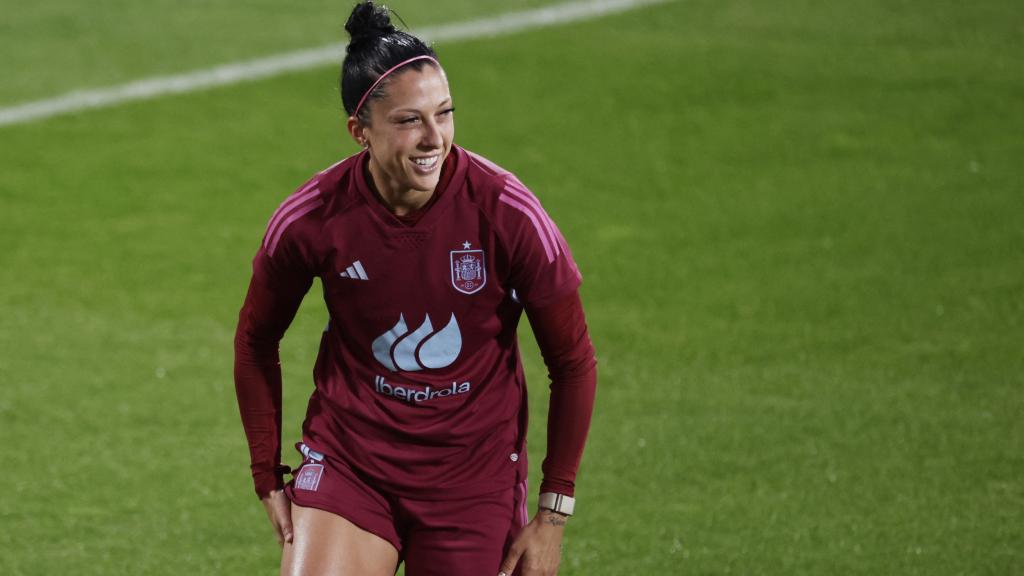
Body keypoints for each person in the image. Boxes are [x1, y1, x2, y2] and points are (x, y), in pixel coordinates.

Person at [233, 2, 597, 574]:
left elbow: (572, 360)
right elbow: (256, 341)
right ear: (360, 131)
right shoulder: (313, 218)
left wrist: (552, 516)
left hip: (471, 477)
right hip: (352, 461)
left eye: (445, 113)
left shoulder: (507, 213)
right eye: (409, 120)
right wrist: (265, 472)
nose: (435, 138)